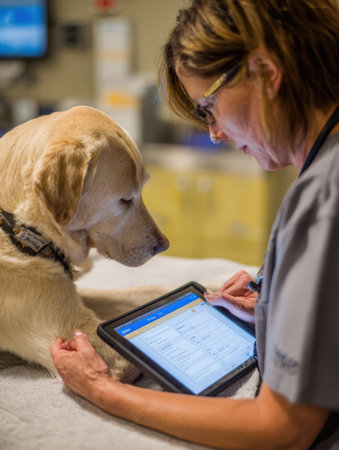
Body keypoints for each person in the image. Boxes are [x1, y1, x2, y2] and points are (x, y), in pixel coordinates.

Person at [51, 1, 339, 448]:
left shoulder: (323, 196)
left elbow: (283, 428)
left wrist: (102, 389)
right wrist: (281, 308)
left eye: (209, 106)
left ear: (264, 71)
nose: (215, 134)